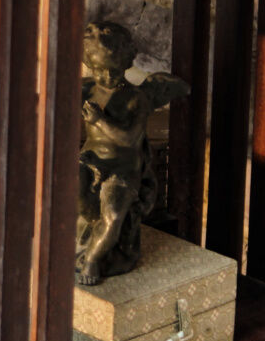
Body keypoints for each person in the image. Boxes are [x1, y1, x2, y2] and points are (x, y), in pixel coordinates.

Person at [77, 22, 189, 285]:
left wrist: (99, 120)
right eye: (99, 73)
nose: (105, 79)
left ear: (124, 63)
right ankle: (96, 232)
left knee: (114, 214)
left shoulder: (135, 98)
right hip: (90, 161)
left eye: (109, 73)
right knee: (69, 191)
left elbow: (129, 139)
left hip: (122, 169)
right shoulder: (86, 89)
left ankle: (93, 258)